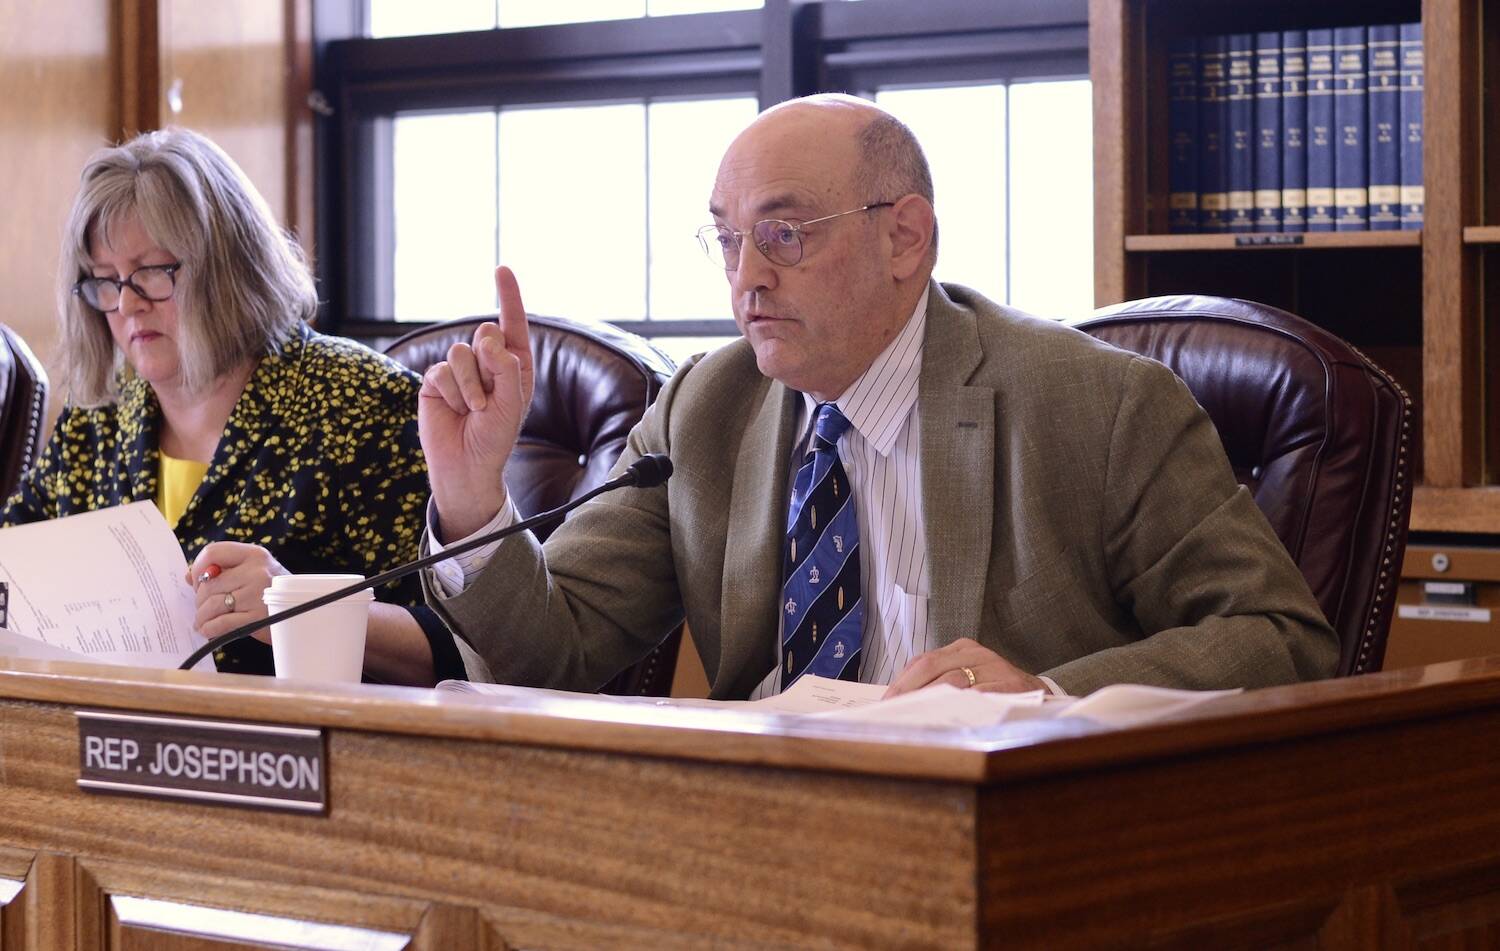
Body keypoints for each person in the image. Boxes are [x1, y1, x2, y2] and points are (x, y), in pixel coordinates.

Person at [411, 94, 1338, 698]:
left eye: (783, 233)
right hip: (762, 828)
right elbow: (555, 650)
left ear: (906, 239)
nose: (746, 282)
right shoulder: (706, 408)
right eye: (727, 241)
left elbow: (1282, 641)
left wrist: (1045, 698)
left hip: (1003, 839)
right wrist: (471, 495)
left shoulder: (1100, 406)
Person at [1, 128, 462, 684]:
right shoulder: (94, 421)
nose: (125, 304)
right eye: (105, 281)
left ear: (229, 267)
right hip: (107, 746)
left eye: (152, 273)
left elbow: (462, 647)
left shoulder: (360, 404)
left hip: (302, 754)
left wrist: (297, 607)